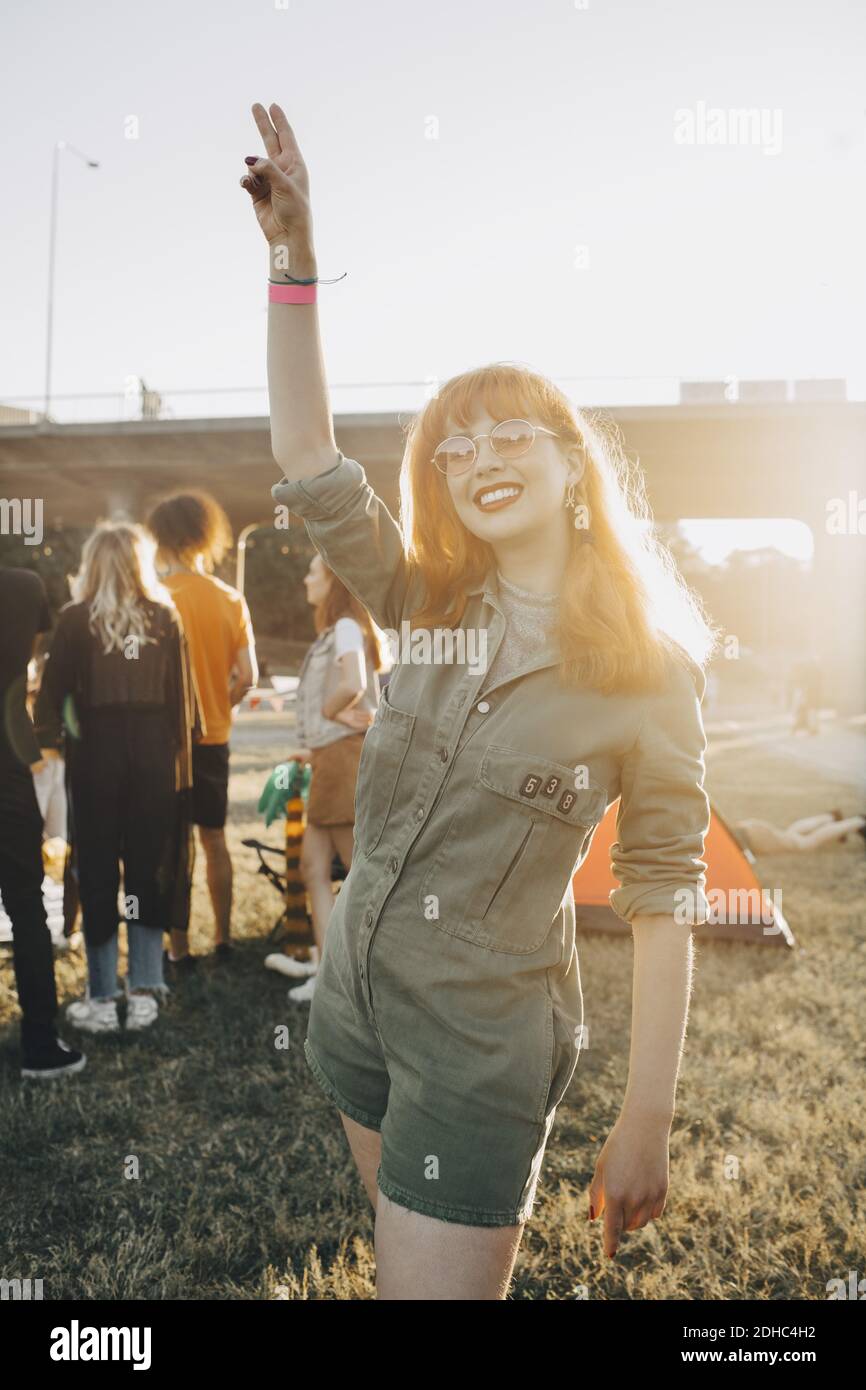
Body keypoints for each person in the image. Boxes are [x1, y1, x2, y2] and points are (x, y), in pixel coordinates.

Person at [244, 102, 715, 1299]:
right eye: (454, 446)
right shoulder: (421, 602)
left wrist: (646, 1118)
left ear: (569, 468)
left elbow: (662, 902)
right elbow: (306, 449)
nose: (480, 455)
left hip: (476, 1053)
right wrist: (293, 263)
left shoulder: (650, 671)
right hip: (348, 1006)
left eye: (512, 432)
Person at [34, 523, 197, 1033]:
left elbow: (47, 703)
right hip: (153, 761)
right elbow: (183, 707)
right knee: (147, 868)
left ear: (93, 564)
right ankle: (145, 990)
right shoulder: (165, 618)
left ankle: (103, 999)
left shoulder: (75, 620)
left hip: (95, 762)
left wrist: (50, 751)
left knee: (98, 871)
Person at [145, 491, 257, 963]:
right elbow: (247, 676)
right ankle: (225, 940)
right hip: (214, 738)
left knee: (171, 846)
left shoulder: (156, 598)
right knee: (214, 839)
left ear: (163, 540)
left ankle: (179, 949)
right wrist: (221, 709)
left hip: (165, 743)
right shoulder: (231, 599)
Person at [265, 552, 381, 1002]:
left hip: (342, 760)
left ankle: (352, 977)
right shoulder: (338, 632)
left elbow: (352, 683)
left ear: (333, 581)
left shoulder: (347, 628)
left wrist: (332, 713)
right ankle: (325, 962)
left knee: (355, 873)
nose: (305, 579)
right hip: (329, 757)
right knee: (314, 867)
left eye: (313, 572)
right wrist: (313, 743)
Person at [0, 566, 85, 1079]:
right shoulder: (24, 585)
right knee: (27, 905)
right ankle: (39, 1042)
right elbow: (26, 667)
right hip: (6, 767)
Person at [737, 810, 866, 855]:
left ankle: (858, 821)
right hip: (748, 827)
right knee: (789, 834)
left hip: (754, 838)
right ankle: (830, 817)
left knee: (805, 844)